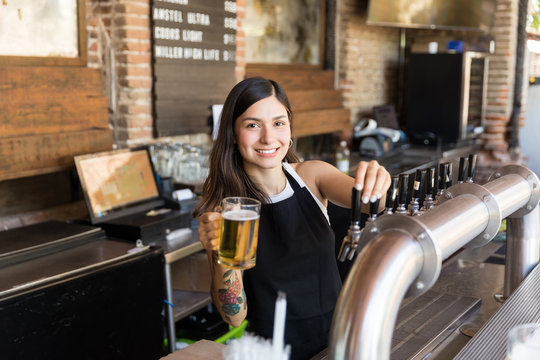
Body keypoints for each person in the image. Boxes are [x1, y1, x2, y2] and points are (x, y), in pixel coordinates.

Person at [193, 77, 391, 359]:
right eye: (252, 125)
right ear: (233, 134)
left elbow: (375, 202)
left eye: (278, 123)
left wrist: (378, 179)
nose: (268, 138)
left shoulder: (313, 176)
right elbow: (234, 316)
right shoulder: (225, 212)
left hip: (340, 341)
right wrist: (220, 251)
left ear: (289, 127)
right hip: (271, 353)